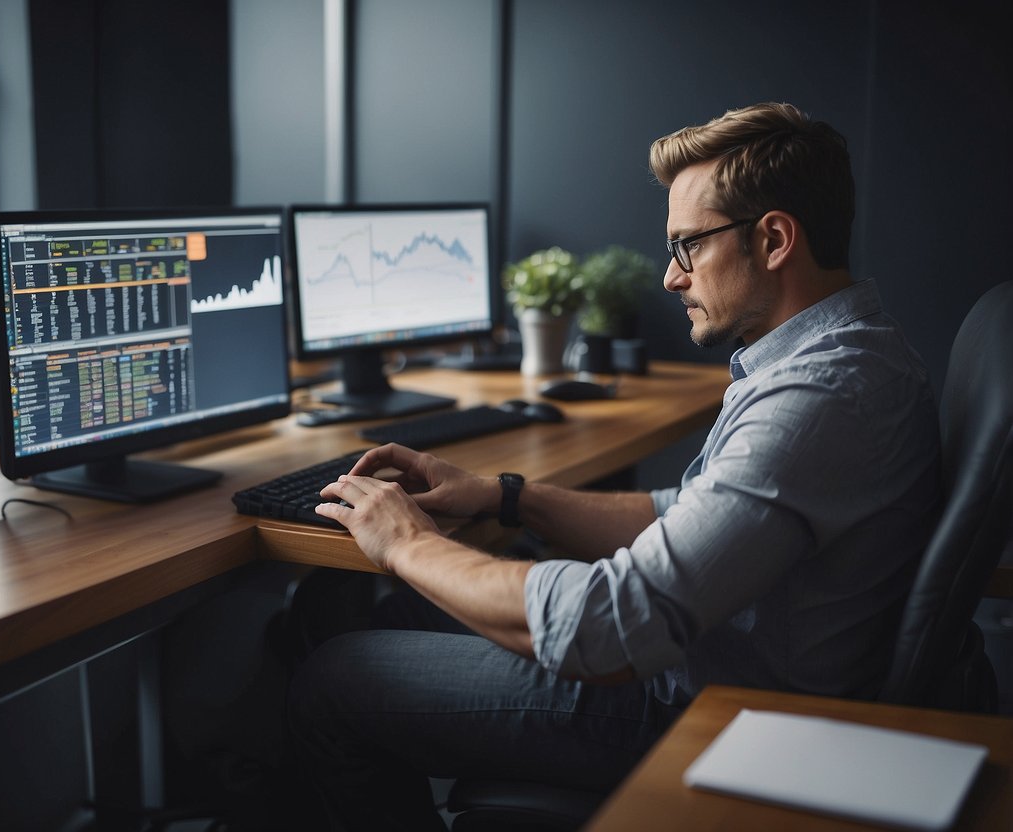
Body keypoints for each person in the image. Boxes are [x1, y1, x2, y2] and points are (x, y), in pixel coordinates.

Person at [286, 102, 942, 831]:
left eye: (687, 246)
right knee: (400, 609)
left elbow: (610, 626)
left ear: (774, 239)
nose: (669, 277)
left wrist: (408, 542)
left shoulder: (820, 395)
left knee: (333, 680)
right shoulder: (834, 354)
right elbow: (682, 514)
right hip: (718, 656)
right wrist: (507, 498)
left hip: (716, 710)